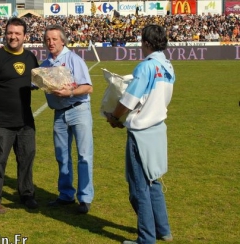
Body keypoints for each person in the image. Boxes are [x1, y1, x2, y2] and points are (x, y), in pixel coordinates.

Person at [105, 24, 174, 243]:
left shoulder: (146, 67)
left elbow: (128, 100)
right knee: (153, 180)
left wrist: (114, 117)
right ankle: (163, 230)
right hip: (158, 128)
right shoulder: (169, 66)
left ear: (145, 42)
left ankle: (146, 238)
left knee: (139, 188)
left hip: (141, 131)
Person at [0, 17, 39, 214]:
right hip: (1, 121)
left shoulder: (31, 57)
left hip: (26, 121)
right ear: (5, 34)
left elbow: (36, 82)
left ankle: (27, 194)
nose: (13, 37)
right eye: (10, 33)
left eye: (17, 33)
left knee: (26, 158)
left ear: (25, 36)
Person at [41, 25, 94, 214]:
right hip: (59, 114)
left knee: (84, 156)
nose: (50, 42)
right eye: (47, 39)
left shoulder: (74, 59)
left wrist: (70, 92)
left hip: (78, 110)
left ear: (62, 41)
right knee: (62, 156)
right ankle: (65, 195)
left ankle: (85, 198)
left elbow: (88, 87)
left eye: (54, 39)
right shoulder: (45, 64)